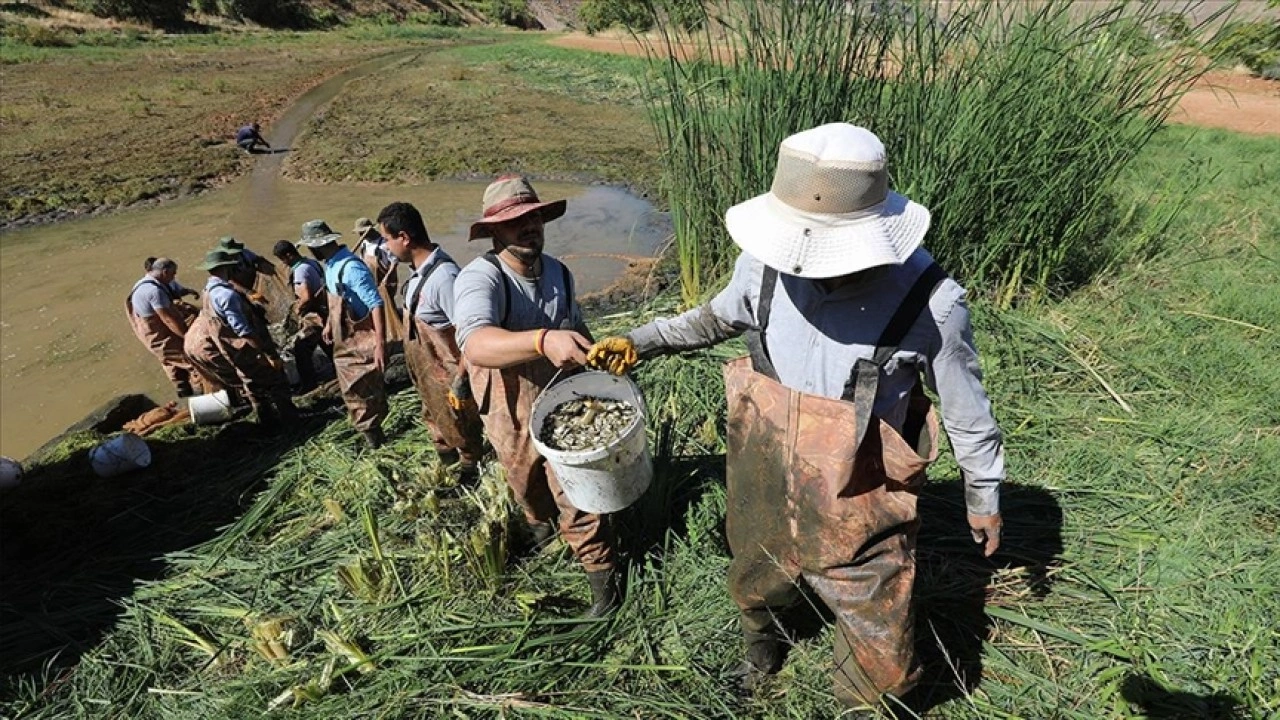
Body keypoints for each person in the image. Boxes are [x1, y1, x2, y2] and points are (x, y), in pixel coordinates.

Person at [586, 123, 1006, 709]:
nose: (808, 266)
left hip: (862, 494)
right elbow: (712, 319)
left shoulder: (931, 303)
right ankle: (763, 644)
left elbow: (968, 415)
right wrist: (641, 339)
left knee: (877, 624)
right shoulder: (762, 266)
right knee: (756, 575)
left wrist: (982, 496)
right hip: (766, 467)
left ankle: (868, 697)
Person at [453, 175, 618, 617]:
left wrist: (597, 357)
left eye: (534, 217)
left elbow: (577, 327)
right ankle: (542, 535)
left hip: (562, 396)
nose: (529, 227)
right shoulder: (481, 279)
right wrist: (543, 340)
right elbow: (475, 345)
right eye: (515, 221)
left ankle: (604, 593)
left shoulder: (559, 273)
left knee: (576, 493)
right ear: (493, 231)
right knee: (526, 485)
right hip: (508, 403)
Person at [377, 201, 484, 481]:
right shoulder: (418, 273)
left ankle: (471, 469)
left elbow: (468, 335)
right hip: (428, 375)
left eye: (388, 239)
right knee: (436, 418)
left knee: (462, 426)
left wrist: (461, 381)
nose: (386, 247)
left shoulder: (445, 278)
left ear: (405, 238)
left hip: (447, 375)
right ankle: (446, 461)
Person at [299, 219, 389, 448]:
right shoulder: (330, 265)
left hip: (360, 335)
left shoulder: (351, 268)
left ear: (317, 246)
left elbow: (376, 304)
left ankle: (375, 440)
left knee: (361, 390)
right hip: (343, 337)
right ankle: (371, 433)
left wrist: (380, 344)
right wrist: (329, 323)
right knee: (351, 390)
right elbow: (334, 299)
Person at [183, 249, 297, 428]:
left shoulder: (208, 291)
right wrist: (267, 354)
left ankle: (266, 421)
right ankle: (291, 421)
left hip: (231, 350)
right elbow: (243, 329)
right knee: (276, 380)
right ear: (226, 267)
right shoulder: (226, 296)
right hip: (245, 348)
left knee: (252, 385)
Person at [126, 257, 201, 398]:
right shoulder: (154, 291)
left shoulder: (148, 283)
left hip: (152, 329)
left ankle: (183, 393)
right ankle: (201, 397)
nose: (174, 277)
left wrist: (189, 291)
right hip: (157, 333)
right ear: (165, 272)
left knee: (170, 362)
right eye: (173, 274)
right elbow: (168, 319)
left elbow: (174, 292)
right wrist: (187, 337)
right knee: (192, 361)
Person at [272, 240, 332, 394]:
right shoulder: (311, 263)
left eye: (283, 260)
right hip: (325, 312)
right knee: (327, 343)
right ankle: (338, 369)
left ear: (289, 255)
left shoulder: (300, 270)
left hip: (314, 315)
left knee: (301, 348)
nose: (283, 263)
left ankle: (309, 384)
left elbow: (306, 297)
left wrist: (297, 310)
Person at [144, 256, 199, 324]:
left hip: (176, 307)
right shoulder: (152, 288)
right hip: (167, 311)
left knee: (196, 311)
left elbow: (179, 291)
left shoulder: (169, 278)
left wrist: (190, 291)